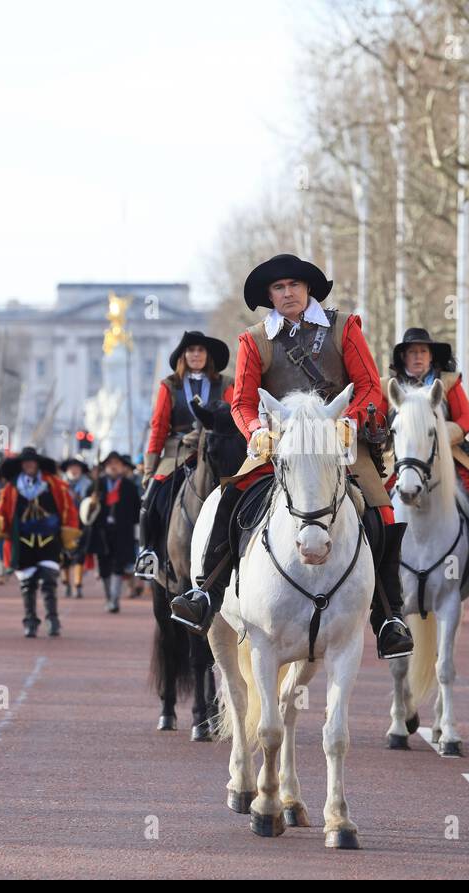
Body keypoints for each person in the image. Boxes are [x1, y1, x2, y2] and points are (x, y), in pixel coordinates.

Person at [169, 253, 415, 659]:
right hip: (280, 444)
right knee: (230, 498)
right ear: (270, 296)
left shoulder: (344, 328)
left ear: (308, 290)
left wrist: (349, 422)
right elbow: (243, 402)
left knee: (381, 510)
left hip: (338, 444)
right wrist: (257, 432)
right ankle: (206, 592)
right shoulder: (254, 339)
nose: (287, 293)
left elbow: (371, 387)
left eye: (294, 286)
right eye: (279, 288)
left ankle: (389, 616)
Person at [387, 326, 469, 607]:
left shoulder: (450, 383)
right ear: (403, 357)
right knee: (368, 504)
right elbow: (379, 421)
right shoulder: (387, 386)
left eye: (423, 352)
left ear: (431, 357)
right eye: (412, 352)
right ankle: (375, 573)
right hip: (401, 459)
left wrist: (440, 432)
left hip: (448, 456)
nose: (417, 357)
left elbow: (464, 421)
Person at [135, 331, 235, 580]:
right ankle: (148, 552)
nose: (196, 355)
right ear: (183, 356)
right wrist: (150, 468)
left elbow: (233, 418)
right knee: (152, 497)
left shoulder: (225, 383)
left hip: (214, 447)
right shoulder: (169, 385)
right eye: (191, 351)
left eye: (201, 350)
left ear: (208, 355)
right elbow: (158, 426)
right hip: (177, 450)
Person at [0, 446, 81, 637]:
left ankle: (52, 619)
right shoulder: (11, 488)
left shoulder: (54, 484)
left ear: (38, 464)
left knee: (49, 580)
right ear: (22, 465)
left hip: (49, 539)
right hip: (22, 541)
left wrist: (69, 535)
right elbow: (3, 513)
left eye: (32, 462)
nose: (30, 465)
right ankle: (30, 621)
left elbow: (68, 510)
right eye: (26, 462)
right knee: (28, 584)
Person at [86, 451, 142, 612]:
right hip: (101, 530)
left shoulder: (129, 486)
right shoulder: (97, 484)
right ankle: (108, 596)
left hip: (122, 532)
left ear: (123, 467)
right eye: (110, 463)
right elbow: (85, 508)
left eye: (117, 464)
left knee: (119, 565)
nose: (113, 466)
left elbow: (136, 510)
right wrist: (92, 501)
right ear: (105, 467)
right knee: (104, 565)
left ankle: (114, 598)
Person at [60, 455, 93, 597]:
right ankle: (66, 582)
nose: (74, 470)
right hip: (63, 523)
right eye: (71, 467)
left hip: (81, 523)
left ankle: (78, 585)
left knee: (80, 553)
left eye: (77, 467)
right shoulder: (59, 484)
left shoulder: (89, 485)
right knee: (63, 555)